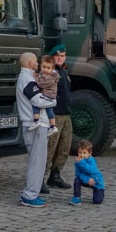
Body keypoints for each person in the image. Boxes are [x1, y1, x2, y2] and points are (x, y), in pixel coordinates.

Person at [16, 52, 56, 208]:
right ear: (31, 63)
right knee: (37, 161)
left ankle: (31, 193)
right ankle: (29, 195)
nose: (39, 64)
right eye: (36, 62)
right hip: (36, 126)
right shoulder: (27, 79)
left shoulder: (27, 77)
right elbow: (37, 99)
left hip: (34, 125)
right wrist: (53, 101)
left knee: (37, 160)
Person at [44, 45, 74, 191]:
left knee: (64, 147)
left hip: (66, 114)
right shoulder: (49, 73)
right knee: (50, 147)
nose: (60, 58)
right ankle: (40, 178)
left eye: (62, 56)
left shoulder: (64, 72)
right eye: (57, 56)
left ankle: (55, 175)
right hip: (54, 114)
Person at [68, 139, 105, 206]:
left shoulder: (91, 160)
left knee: (97, 201)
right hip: (87, 180)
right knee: (77, 180)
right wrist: (87, 179)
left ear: (90, 153)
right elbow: (78, 174)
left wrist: (82, 162)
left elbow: (91, 171)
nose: (82, 155)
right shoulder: (78, 162)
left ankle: (99, 192)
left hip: (96, 182)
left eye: (84, 153)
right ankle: (77, 198)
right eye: (80, 152)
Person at [31, 55, 59, 136]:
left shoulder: (51, 78)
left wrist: (35, 78)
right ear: (40, 66)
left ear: (52, 68)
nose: (45, 70)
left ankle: (36, 121)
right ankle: (53, 127)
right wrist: (38, 76)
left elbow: (41, 84)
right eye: (44, 67)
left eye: (48, 68)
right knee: (49, 110)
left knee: (36, 104)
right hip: (49, 95)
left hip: (48, 94)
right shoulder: (44, 74)